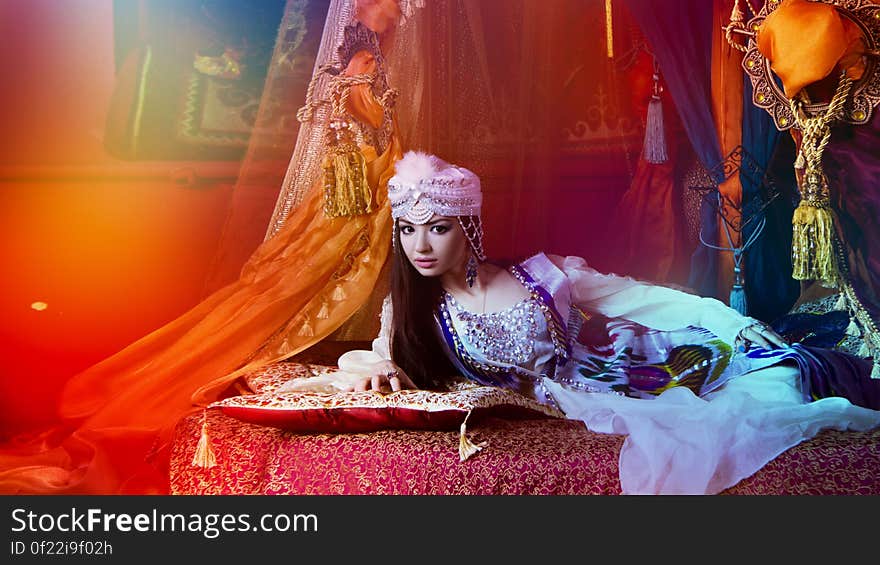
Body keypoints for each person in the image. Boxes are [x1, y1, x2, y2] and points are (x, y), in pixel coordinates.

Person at [282, 150, 880, 495]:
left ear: (467, 227)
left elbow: (640, 300)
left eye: (437, 227)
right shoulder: (414, 310)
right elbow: (369, 357)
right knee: (703, 432)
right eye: (408, 230)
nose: (421, 245)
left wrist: (727, 321)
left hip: (626, 368)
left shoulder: (545, 274)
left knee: (766, 370)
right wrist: (379, 359)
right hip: (575, 400)